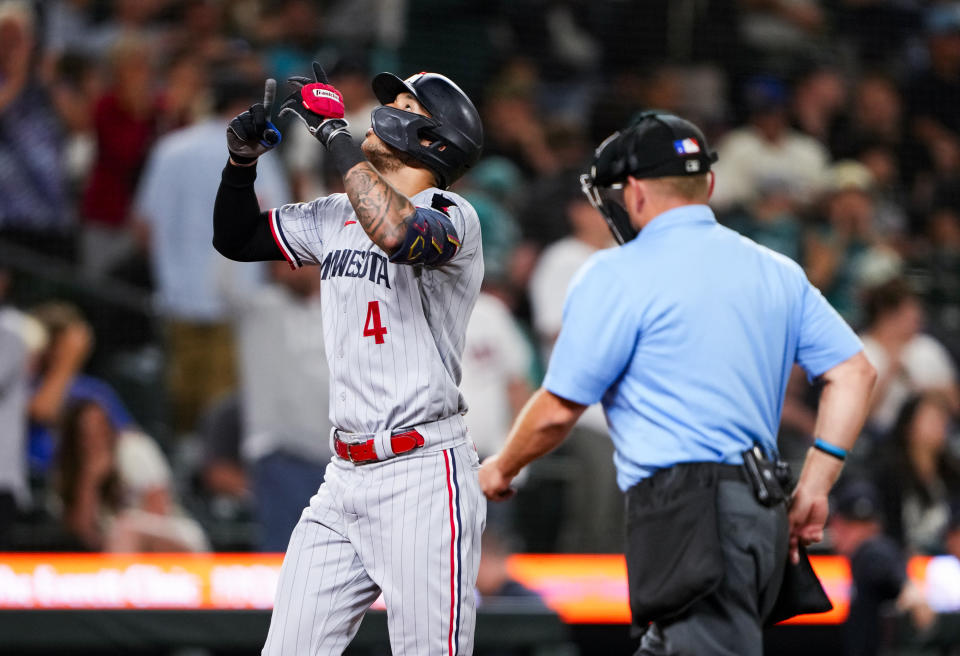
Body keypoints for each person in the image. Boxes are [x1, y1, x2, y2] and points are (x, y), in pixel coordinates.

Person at [479, 111, 877, 655]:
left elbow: (556, 409)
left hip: (689, 511)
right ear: (709, 184)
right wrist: (815, 484)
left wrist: (501, 466)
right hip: (760, 507)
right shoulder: (774, 269)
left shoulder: (616, 271)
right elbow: (854, 371)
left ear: (634, 192)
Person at [212, 63, 485, 655]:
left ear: (435, 140)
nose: (385, 112)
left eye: (406, 109)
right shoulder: (335, 213)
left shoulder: (454, 217)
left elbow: (397, 233)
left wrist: (333, 133)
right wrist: (241, 164)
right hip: (342, 477)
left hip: (423, 473)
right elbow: (235, 239)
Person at [132, 68, 290, 435]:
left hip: (177, 299)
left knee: (180, 413)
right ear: (239, 106)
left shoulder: (171, 148)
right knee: (224, 414)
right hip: (235, 305)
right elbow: (277, 230)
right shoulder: (258, 152)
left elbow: (143, 229)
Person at [219, 260, 333, 552]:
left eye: (301, 262)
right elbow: (225, 285)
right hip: (281, 456)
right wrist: (240, 216)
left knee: (331, 557)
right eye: (282, 265)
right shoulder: (261, 310)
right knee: (283, 556)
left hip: (332, 460)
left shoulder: (334, 310)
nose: (292, 270)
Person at [828, 479, 931, 656]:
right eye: (851, 526)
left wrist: (908, 588)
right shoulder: (862, 557)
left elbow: (883, 561)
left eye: (866, 526)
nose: (860, 534)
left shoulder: (871, 550)